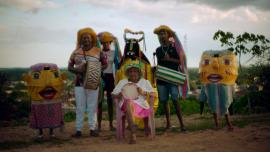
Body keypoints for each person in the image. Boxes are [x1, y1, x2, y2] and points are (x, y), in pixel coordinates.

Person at [68, 27, 107, 137]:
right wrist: (77, 70)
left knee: (92, 106)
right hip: (79, 83)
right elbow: (69, 67)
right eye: (83, 38)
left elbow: (105, 64)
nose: (85, 40)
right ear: (80, 40)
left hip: (93, 82)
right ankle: (78, 130)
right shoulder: (76, 52)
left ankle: (92, 129)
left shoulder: (98, 51)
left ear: (92, 39)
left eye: (87, 38)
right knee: (80, 107)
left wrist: (95, 70)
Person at [112, 61, 155, 144]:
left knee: (129, 102)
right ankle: (133, 132)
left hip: (141, 106)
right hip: (125, 106)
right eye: (130, 71)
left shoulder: (145, 82)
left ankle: (132, 131)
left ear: (139, 73)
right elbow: (113, 95)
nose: (133, 73)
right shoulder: (123, 82)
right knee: (128, 101)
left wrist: (143, 92)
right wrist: (120, 94)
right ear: (128, 73)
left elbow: (153, 94)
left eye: (135, 71)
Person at [154, 25, 186, 132]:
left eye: (163, 33)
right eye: (160, 34)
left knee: (175, 100)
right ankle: (168, 124)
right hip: (161, 79)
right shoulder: (158, 50)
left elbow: (180, 62)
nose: (161, 36)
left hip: (172, 79)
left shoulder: (174, 48)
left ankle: (182, 125)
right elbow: (160, 63)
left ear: (168, 35)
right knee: (164, 102)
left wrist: (170, 59)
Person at [23, 63, 66, 140]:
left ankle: (50, 133)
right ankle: (41, 133)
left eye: (55, 74)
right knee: (40, 115)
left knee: (52, 115)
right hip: (39, 101)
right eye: (36, 76)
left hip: (53, 101)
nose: (47, 82)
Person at [97, 32, 122, 131]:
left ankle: (111, 124)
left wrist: (117, 41)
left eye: (108, 42)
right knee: (100, 102)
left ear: (110, 43)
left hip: (111, 77)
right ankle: (98, 125)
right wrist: (98, 37)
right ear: (102, 43)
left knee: (110, 102)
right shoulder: (99, 52)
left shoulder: (113, 52)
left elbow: (119, 59)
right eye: (104, 43)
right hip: (101, 77)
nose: (106, 44)